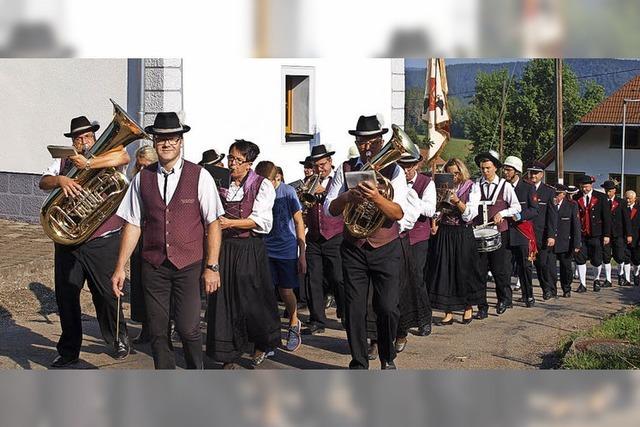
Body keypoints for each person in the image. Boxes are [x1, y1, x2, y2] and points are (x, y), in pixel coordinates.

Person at [112, 112, 224, 369]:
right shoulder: (142, 178)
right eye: (161, 138)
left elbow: (213, 224)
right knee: (158, 331)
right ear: (154, 141)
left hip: (188, 265)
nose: (166, 143)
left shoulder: (200, 176)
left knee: (188, 328)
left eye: (172, 138)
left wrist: (212, 266)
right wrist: (120, 267)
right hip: (153, 266)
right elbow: (132, 223)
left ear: (181, 141)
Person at [40, 115, 131, 368]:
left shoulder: (109, 152)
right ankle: (69, 351)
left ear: (94, 136)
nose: (84, 141)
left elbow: (124, 157)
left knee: (106, 294)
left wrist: (90, 165)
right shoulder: (63, 160)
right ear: (73, 142)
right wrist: (61, 180)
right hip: (69, 242)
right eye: (79, 139)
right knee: (66, 297)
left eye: (88, 136)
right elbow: (43, 182)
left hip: (102, 238)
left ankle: (118, 338)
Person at [325, 115, 408, 370]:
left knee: (387, 308)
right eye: (362, 141)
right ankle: (359, 362)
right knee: (354, 308)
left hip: (386, 247)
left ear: (382, 140)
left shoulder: (395, 170)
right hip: (353, 247)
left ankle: (387, 356)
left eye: (372, 141)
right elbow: (329, 208)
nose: (367, 146)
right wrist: (348, 197)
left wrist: (377, 198)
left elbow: (398, 213)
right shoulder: (346, 168)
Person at [206, 139, 281, 369]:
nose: (232, 164)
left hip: (249, 248)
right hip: (225, 248)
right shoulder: (221, 181)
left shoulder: (261, 185)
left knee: (252, 299)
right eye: (230, 158)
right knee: (224, 300)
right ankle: (228, 353)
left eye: (238, 160)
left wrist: (231, 223)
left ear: (249, 164)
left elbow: (262, 221)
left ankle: (262, 342)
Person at [427, 158, 484, 323]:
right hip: (445, 232)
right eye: (450, 173)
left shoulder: (472, 187)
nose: (454, 176)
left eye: (456, 173)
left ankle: (467, 307)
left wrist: (457, 201)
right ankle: (448, 310)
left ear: (462, 172)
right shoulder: (443, 185)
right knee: (446, 270)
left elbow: (470, 214)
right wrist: (436, 220)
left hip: (462, 232)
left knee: (463, 270)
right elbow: (437, 210)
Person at [259, 161, 307, 352]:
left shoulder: (287, 192)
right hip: (266, 248)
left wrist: (302, 253)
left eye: (267, 182)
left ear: (277, 178)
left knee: (286, 291)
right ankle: (270, 336)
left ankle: (294, 321)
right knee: (267, 293)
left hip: (286, 249)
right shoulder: (260, 191)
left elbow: (298, 222)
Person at [469, 150, 521, 319]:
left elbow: (517, 207)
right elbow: (472, 204)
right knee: (479, 271)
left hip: (499, 233)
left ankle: (503, 299)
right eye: (483, 168)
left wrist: (503, 213)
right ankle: (482, 307)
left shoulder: (505, 186)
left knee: (500, 270)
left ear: (495, 168)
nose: (485, 171)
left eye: (488, 168)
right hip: (480, 233)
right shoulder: (476, 185)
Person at [302, 145, 345, 335]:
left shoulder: (338, 180)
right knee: (314, 279)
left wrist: (325, 192)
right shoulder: (309, 182)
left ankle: (345, 314)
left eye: (323, 164)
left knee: (338, 278)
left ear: (330, 162)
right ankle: (317, 319)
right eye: (316, 165)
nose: (320, 169)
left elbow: (341, 202)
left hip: (335, 235)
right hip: (314, 237)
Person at [394, 152, 434, 352]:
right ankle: (402, 321)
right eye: (403, 166)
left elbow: (430, 210)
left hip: (418, 238)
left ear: (417, 166)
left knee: (417, 278)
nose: (406, 171)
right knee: (401, 282)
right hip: (399, 237)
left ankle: (424, 319)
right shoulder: (395, 181)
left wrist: (411, 198)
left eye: (410, 166)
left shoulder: (426, 183)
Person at [128, 145, 158, 345]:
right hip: (139, 237)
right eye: (138, 166)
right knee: (140, 283)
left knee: (156, 285)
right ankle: (146, 327)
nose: (141, 170)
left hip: (155, 237)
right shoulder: (135, 182)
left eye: (146, 166)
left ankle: (162, 327)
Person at [502, 156, 539, 307]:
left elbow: (534, 210)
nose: (505, 172)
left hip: (521, 232)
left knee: (524, 266)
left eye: (508, 169)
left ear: (516, 171)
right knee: (504, 267)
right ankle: (506, 298)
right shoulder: (502, 186)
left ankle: (528, 295)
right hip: (505, 232)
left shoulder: (528, 187)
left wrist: (519, 216)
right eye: (504, 169)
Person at [572, 175, 611, 293]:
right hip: (581, 234)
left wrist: (607, 235)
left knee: (596, 259)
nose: (585, 189)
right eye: (583, 187)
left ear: (591, 185)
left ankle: (596, 280)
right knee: (580, 258)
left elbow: (607, 218)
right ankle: (582, 284)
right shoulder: (576, 197)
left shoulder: (601, 197)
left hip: (597, 234)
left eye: (587, 186)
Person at [526, 162, 558, 300]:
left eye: (536, 173)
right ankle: (527, 294)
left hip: (541, 234)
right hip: (526, 233)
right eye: (531, 172)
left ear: (542, 174)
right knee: (525, 265)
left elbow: (552, 215)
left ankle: (547, 289)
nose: (533, 175)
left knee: (542, 264)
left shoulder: (549, 191)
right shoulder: (524, 188)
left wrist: (551, 235)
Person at [600, 180, 632, 287]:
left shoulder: (621, 202)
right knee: (606, 256)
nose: (607, 193)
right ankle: (608, 279)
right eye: (606, 190)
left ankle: (621, 275)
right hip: (606, 234)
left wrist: (629, 234)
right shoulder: (602, 201)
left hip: (619, 234)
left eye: (609, 190)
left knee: (620, 256)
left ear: (614, 190)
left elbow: (626, 219)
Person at [551, 184, 581, 297]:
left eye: (558, 194)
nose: (556, 197)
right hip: (551, 242)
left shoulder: (571, 205)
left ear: (563, 194)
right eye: (555, 194)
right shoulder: (551, 204)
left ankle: (566, 288)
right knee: (550, 268)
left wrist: (576, 243)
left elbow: (576, 225)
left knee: (566, 268)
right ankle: (551, 289)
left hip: (565, 242)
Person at [625, 190, 640, 286]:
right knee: (625, 258)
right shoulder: (622, 208)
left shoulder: (638, 209)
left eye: (629, 198)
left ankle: (636, 274)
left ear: (634, 198)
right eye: (626, 198)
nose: (627, 200)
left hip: (636, 237)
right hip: (624, 237)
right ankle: (627, 279)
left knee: (636, 259)